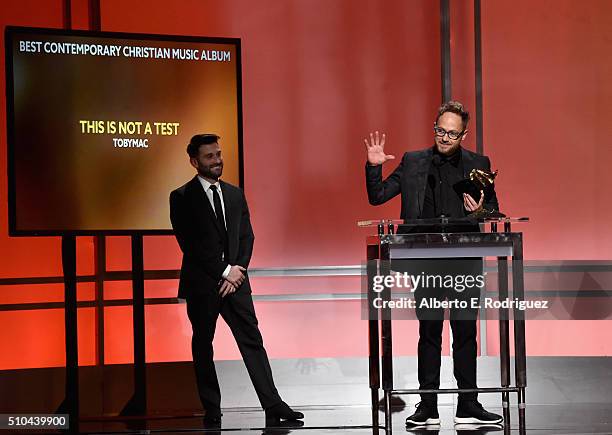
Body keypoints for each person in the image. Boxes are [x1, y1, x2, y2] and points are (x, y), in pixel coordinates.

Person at [364, 101, 503, 427]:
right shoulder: (413, 161)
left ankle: (468, 403)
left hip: (464, 260)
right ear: (435, 126)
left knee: (466, 332)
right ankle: (428, 406)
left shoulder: (477, 163)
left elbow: (494, 210)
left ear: (463, 134)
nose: (445, 137)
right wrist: (373, 168)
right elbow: (379, 196)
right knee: (429, 332)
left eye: (452, 133)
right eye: (441, 130)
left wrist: (480, 210)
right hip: (424, 260)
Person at [170, 134, 304, 428]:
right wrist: (223, 271)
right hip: (204, 285)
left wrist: (238, 269)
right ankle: (212, 408)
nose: (217, 161)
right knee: (203, 345)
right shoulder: (180, 197)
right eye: (209, 157)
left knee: (252, 341)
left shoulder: (234, 194)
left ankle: (273, 404)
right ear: (194, 162)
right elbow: (191, 245)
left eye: (218, 154)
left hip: (237, 283)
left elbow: (247, 236)